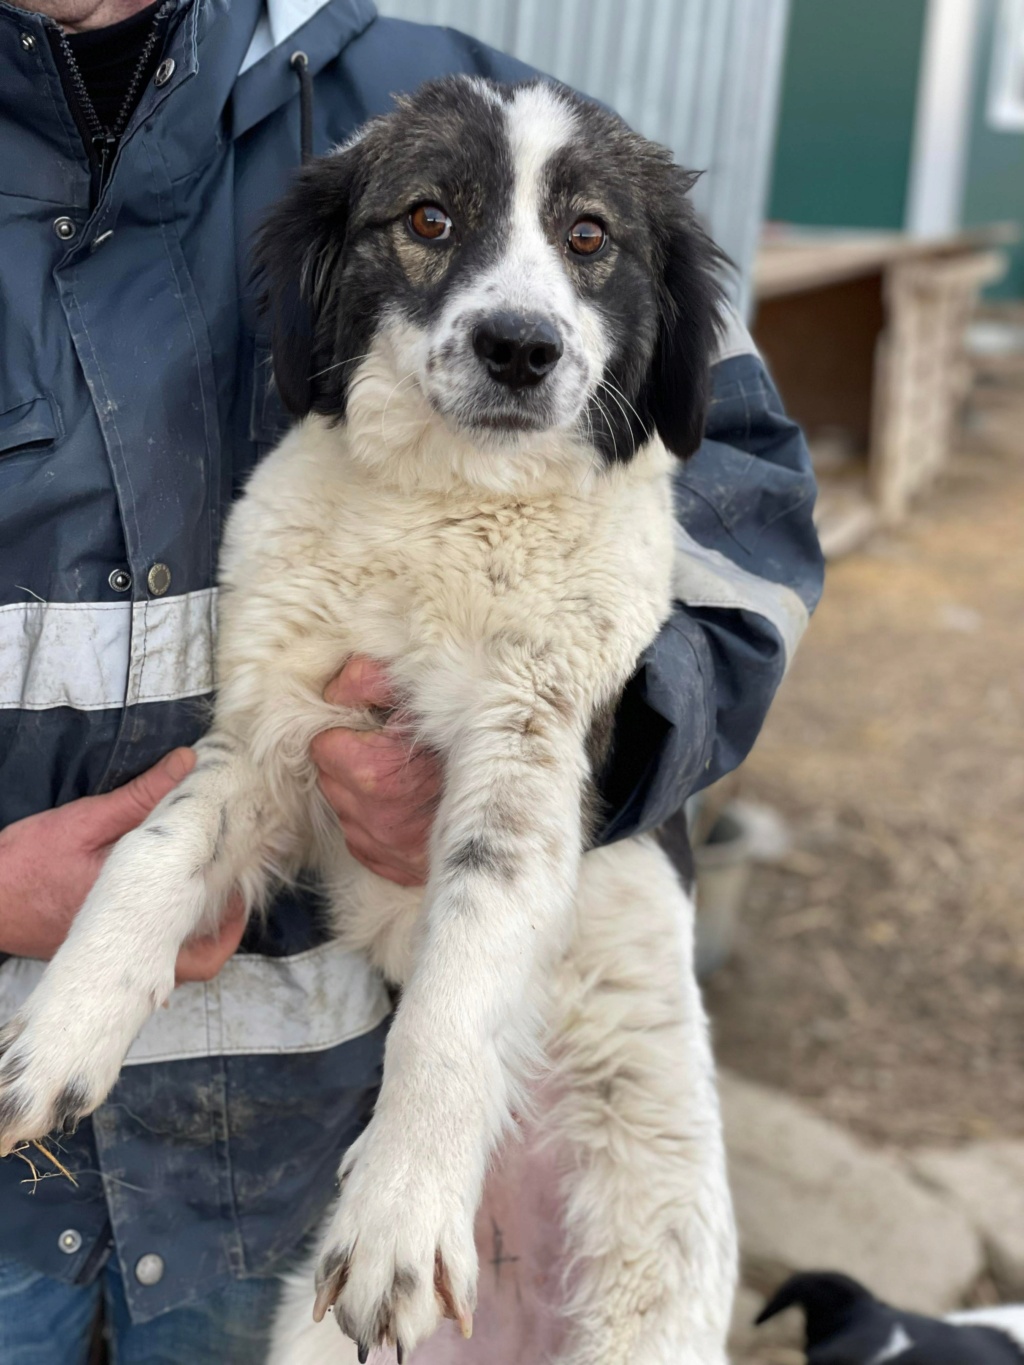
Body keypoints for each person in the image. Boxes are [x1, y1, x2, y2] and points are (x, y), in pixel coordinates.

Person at [0, 0, 824, 1357]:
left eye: (577, 245)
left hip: (305, 1149)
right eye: (436, 228)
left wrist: (598, 747)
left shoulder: (448, 102)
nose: (520, 302)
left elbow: (748, 511)